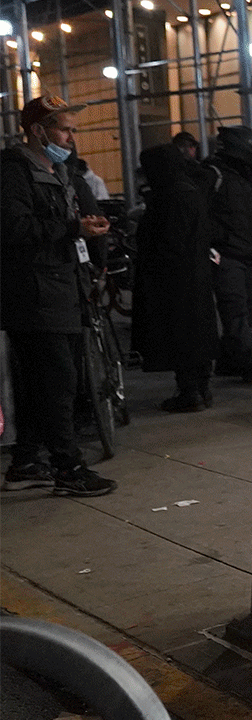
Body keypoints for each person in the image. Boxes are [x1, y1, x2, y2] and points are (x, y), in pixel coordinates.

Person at [1, 95, 116, 496]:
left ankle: (26, 462)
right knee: (58, 383)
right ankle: (69, 468)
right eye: (64, 129)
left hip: (64, 287)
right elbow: (14, 230)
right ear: (37, 131)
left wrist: (83, 232)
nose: (71, 137)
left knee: (41, 382)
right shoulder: (14, 172)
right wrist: (72, 229)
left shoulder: (61, 172)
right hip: (35, 293)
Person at [131, 143, 219, 412]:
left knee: (180, 336)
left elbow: (167, 242)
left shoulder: (169, 197)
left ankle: (189, 391)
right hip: (198, 275)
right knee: (198, 333)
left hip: (173, 280)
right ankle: (201, 389)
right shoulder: (191, 191)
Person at [204, 125, 252, 382]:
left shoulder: (241, 179)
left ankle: (229, 361)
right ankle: (249, 362)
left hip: (246, 256)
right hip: (226, 256)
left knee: (245, 310)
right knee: (236, 310)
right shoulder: (214, 176)